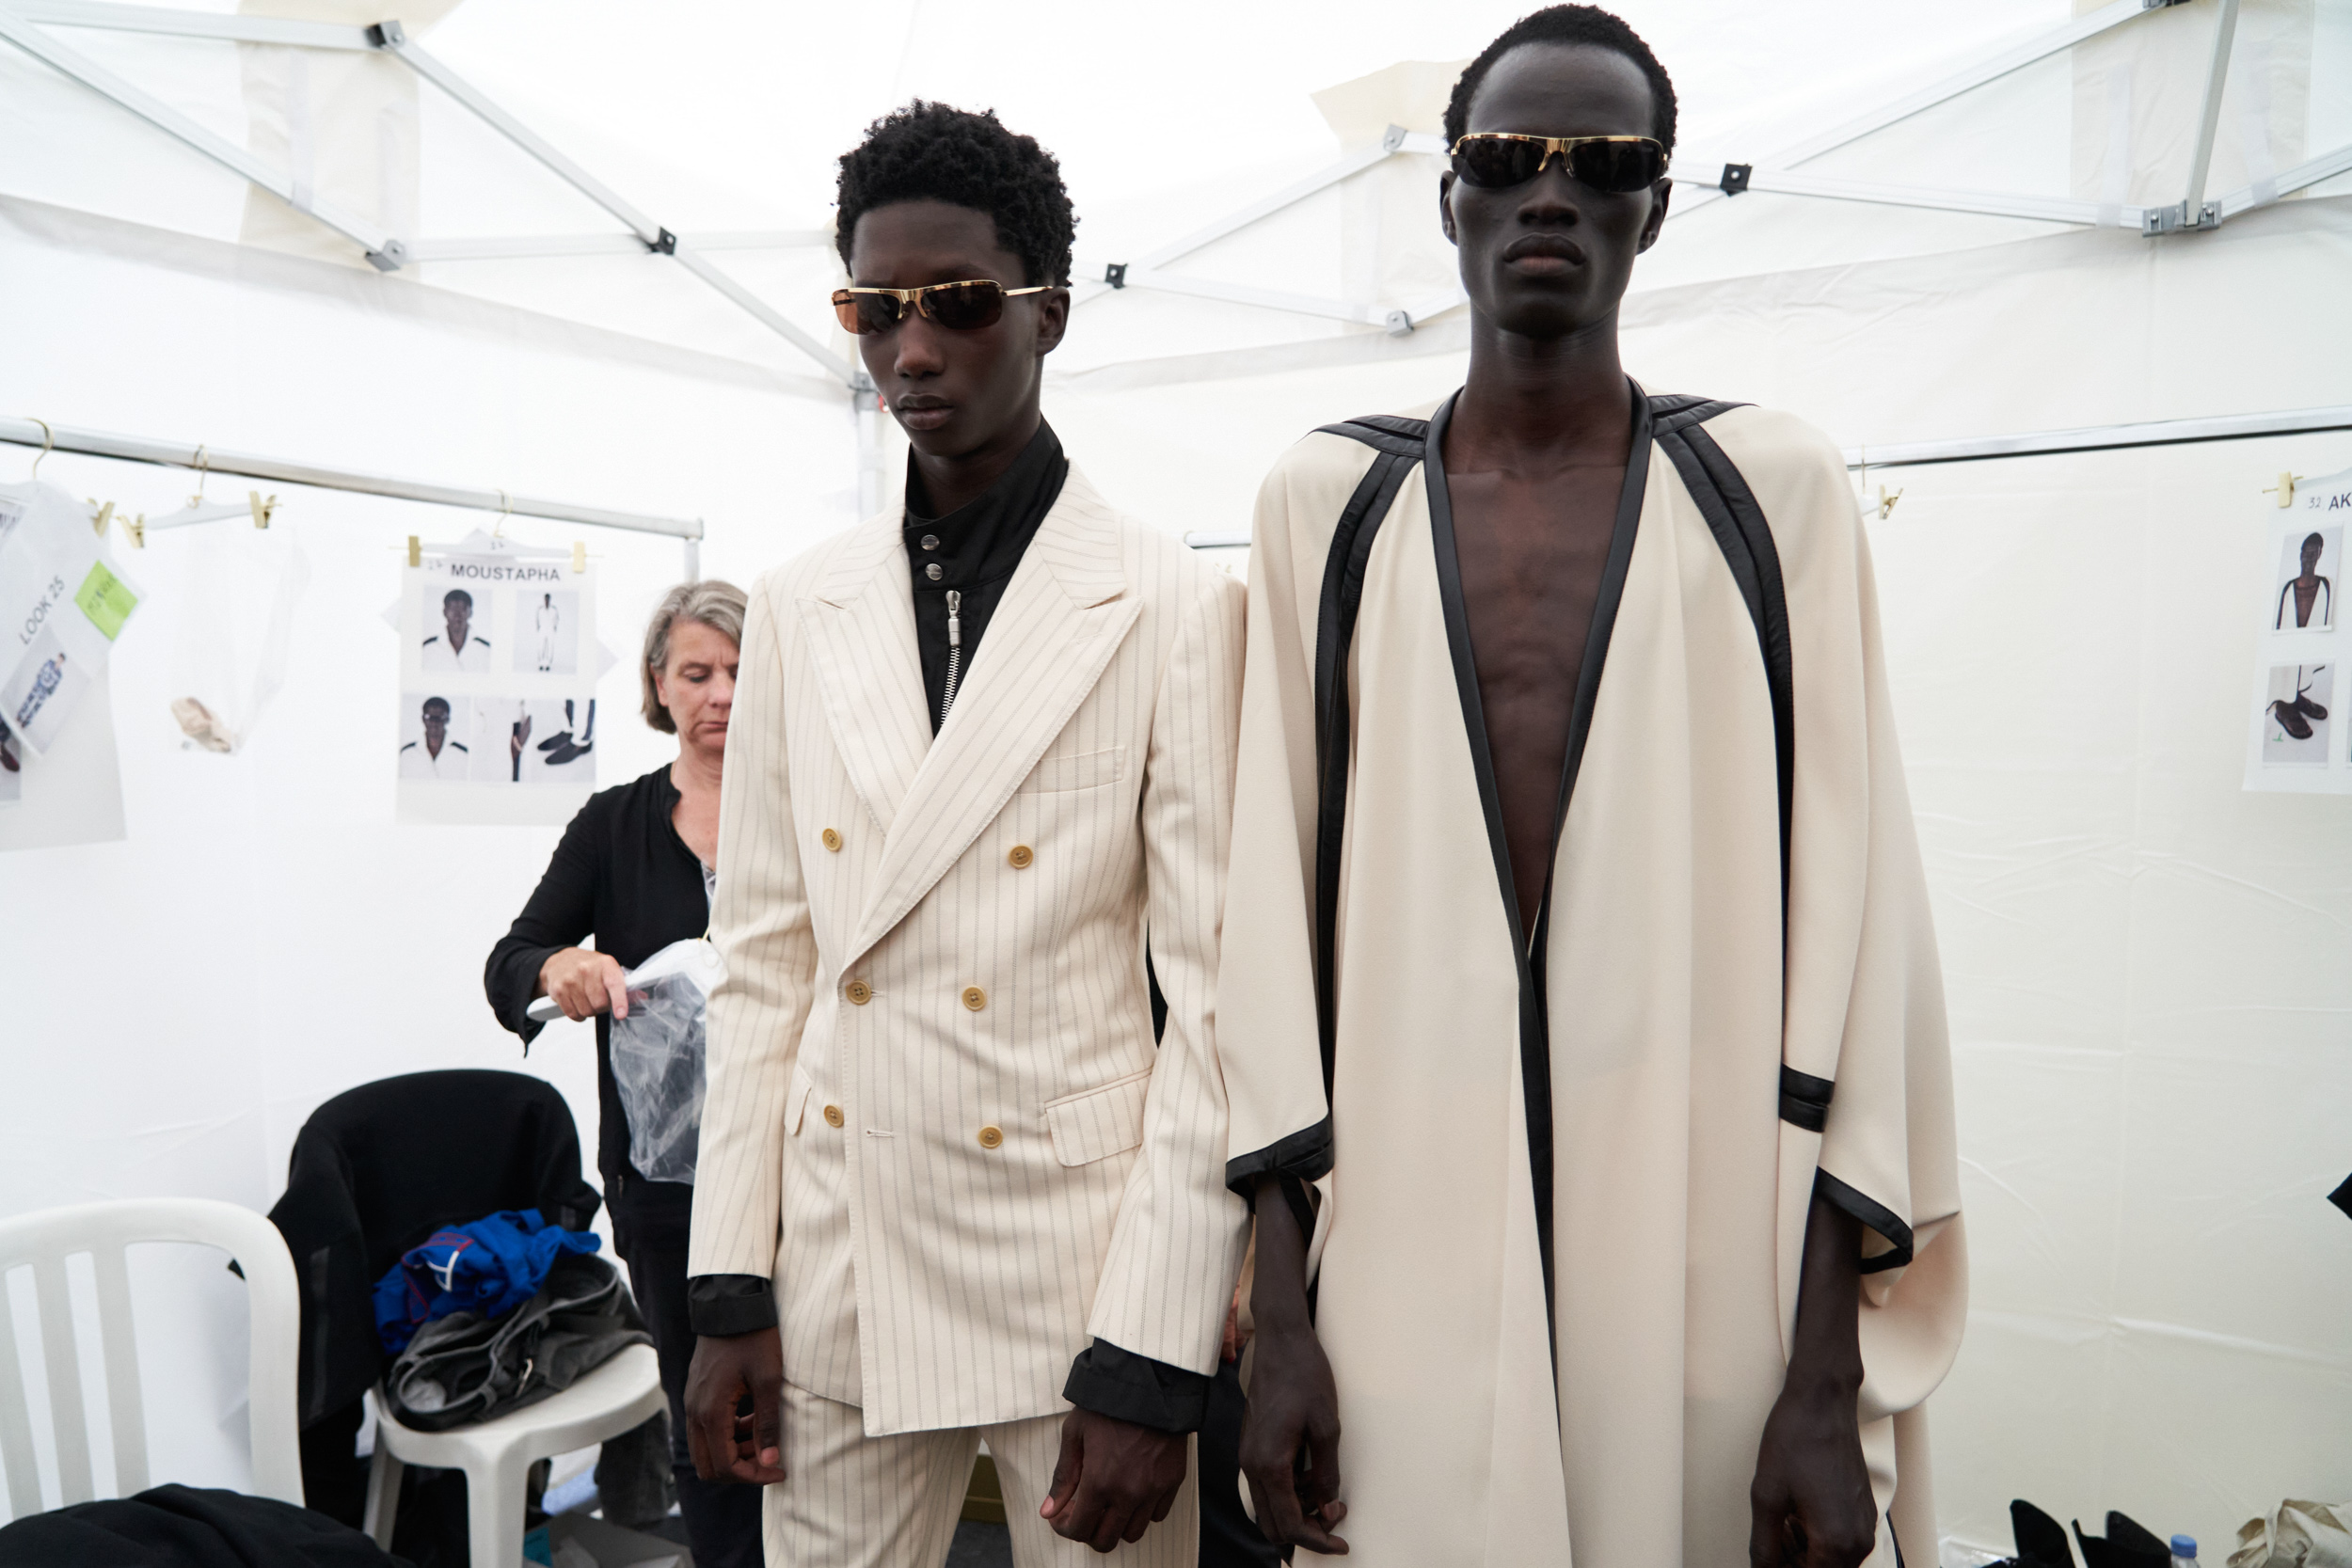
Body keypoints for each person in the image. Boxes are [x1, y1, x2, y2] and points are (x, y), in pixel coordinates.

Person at [1218, 9, 1964, 1566]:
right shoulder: (1326, 504)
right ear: (1450, 198)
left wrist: (1827, 1373)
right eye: (1506, 158)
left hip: (1713, 1233)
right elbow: (1262, 933)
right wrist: (1276, 1317)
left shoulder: (1774, 492)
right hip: (1398, 1233)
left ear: (1657, 206)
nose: (1549, 194)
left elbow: (1864, 920)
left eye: (1602, 161)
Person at [681, 103, 1247, 1567]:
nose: (910, 352)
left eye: (956, 306)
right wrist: (730, 1277)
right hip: (838, 1249)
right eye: (875, 310)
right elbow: (762, 960)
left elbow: (1216, 1009)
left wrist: (1158, 1344)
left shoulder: (1172, 603)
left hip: (1073, 1270)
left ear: (1047, 314)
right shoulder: (800, 602)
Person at [483, 579, 762, 1568]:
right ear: (657, 684)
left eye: (739, 669)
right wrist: (559, 966)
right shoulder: (613, 824)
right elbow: (512, 959)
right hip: (667, 1188)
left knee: (811, 1414)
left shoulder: (818, 816)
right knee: (709, 1421)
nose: (720, 691)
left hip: (806, 1170)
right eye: (696, 672)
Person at [421, 587, 492, 672]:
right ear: (445, 612)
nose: (457, 614)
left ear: (470, 613)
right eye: (453, 608)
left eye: (463, 609)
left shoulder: (486, 650)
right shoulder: (427, 649)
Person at [397, 695, 467, 780]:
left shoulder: (463, 754)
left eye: (439, 717)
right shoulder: (406, 754)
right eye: (429, 717)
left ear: (447, 719)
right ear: (423, 719)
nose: (434, 722)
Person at [2277, 531, 2333, 629]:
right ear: (2301, 555)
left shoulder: (2328, 586)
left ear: (2319, 555)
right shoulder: (2285, 589)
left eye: (2313, 553)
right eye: (2306, 553)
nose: (2309, 558)